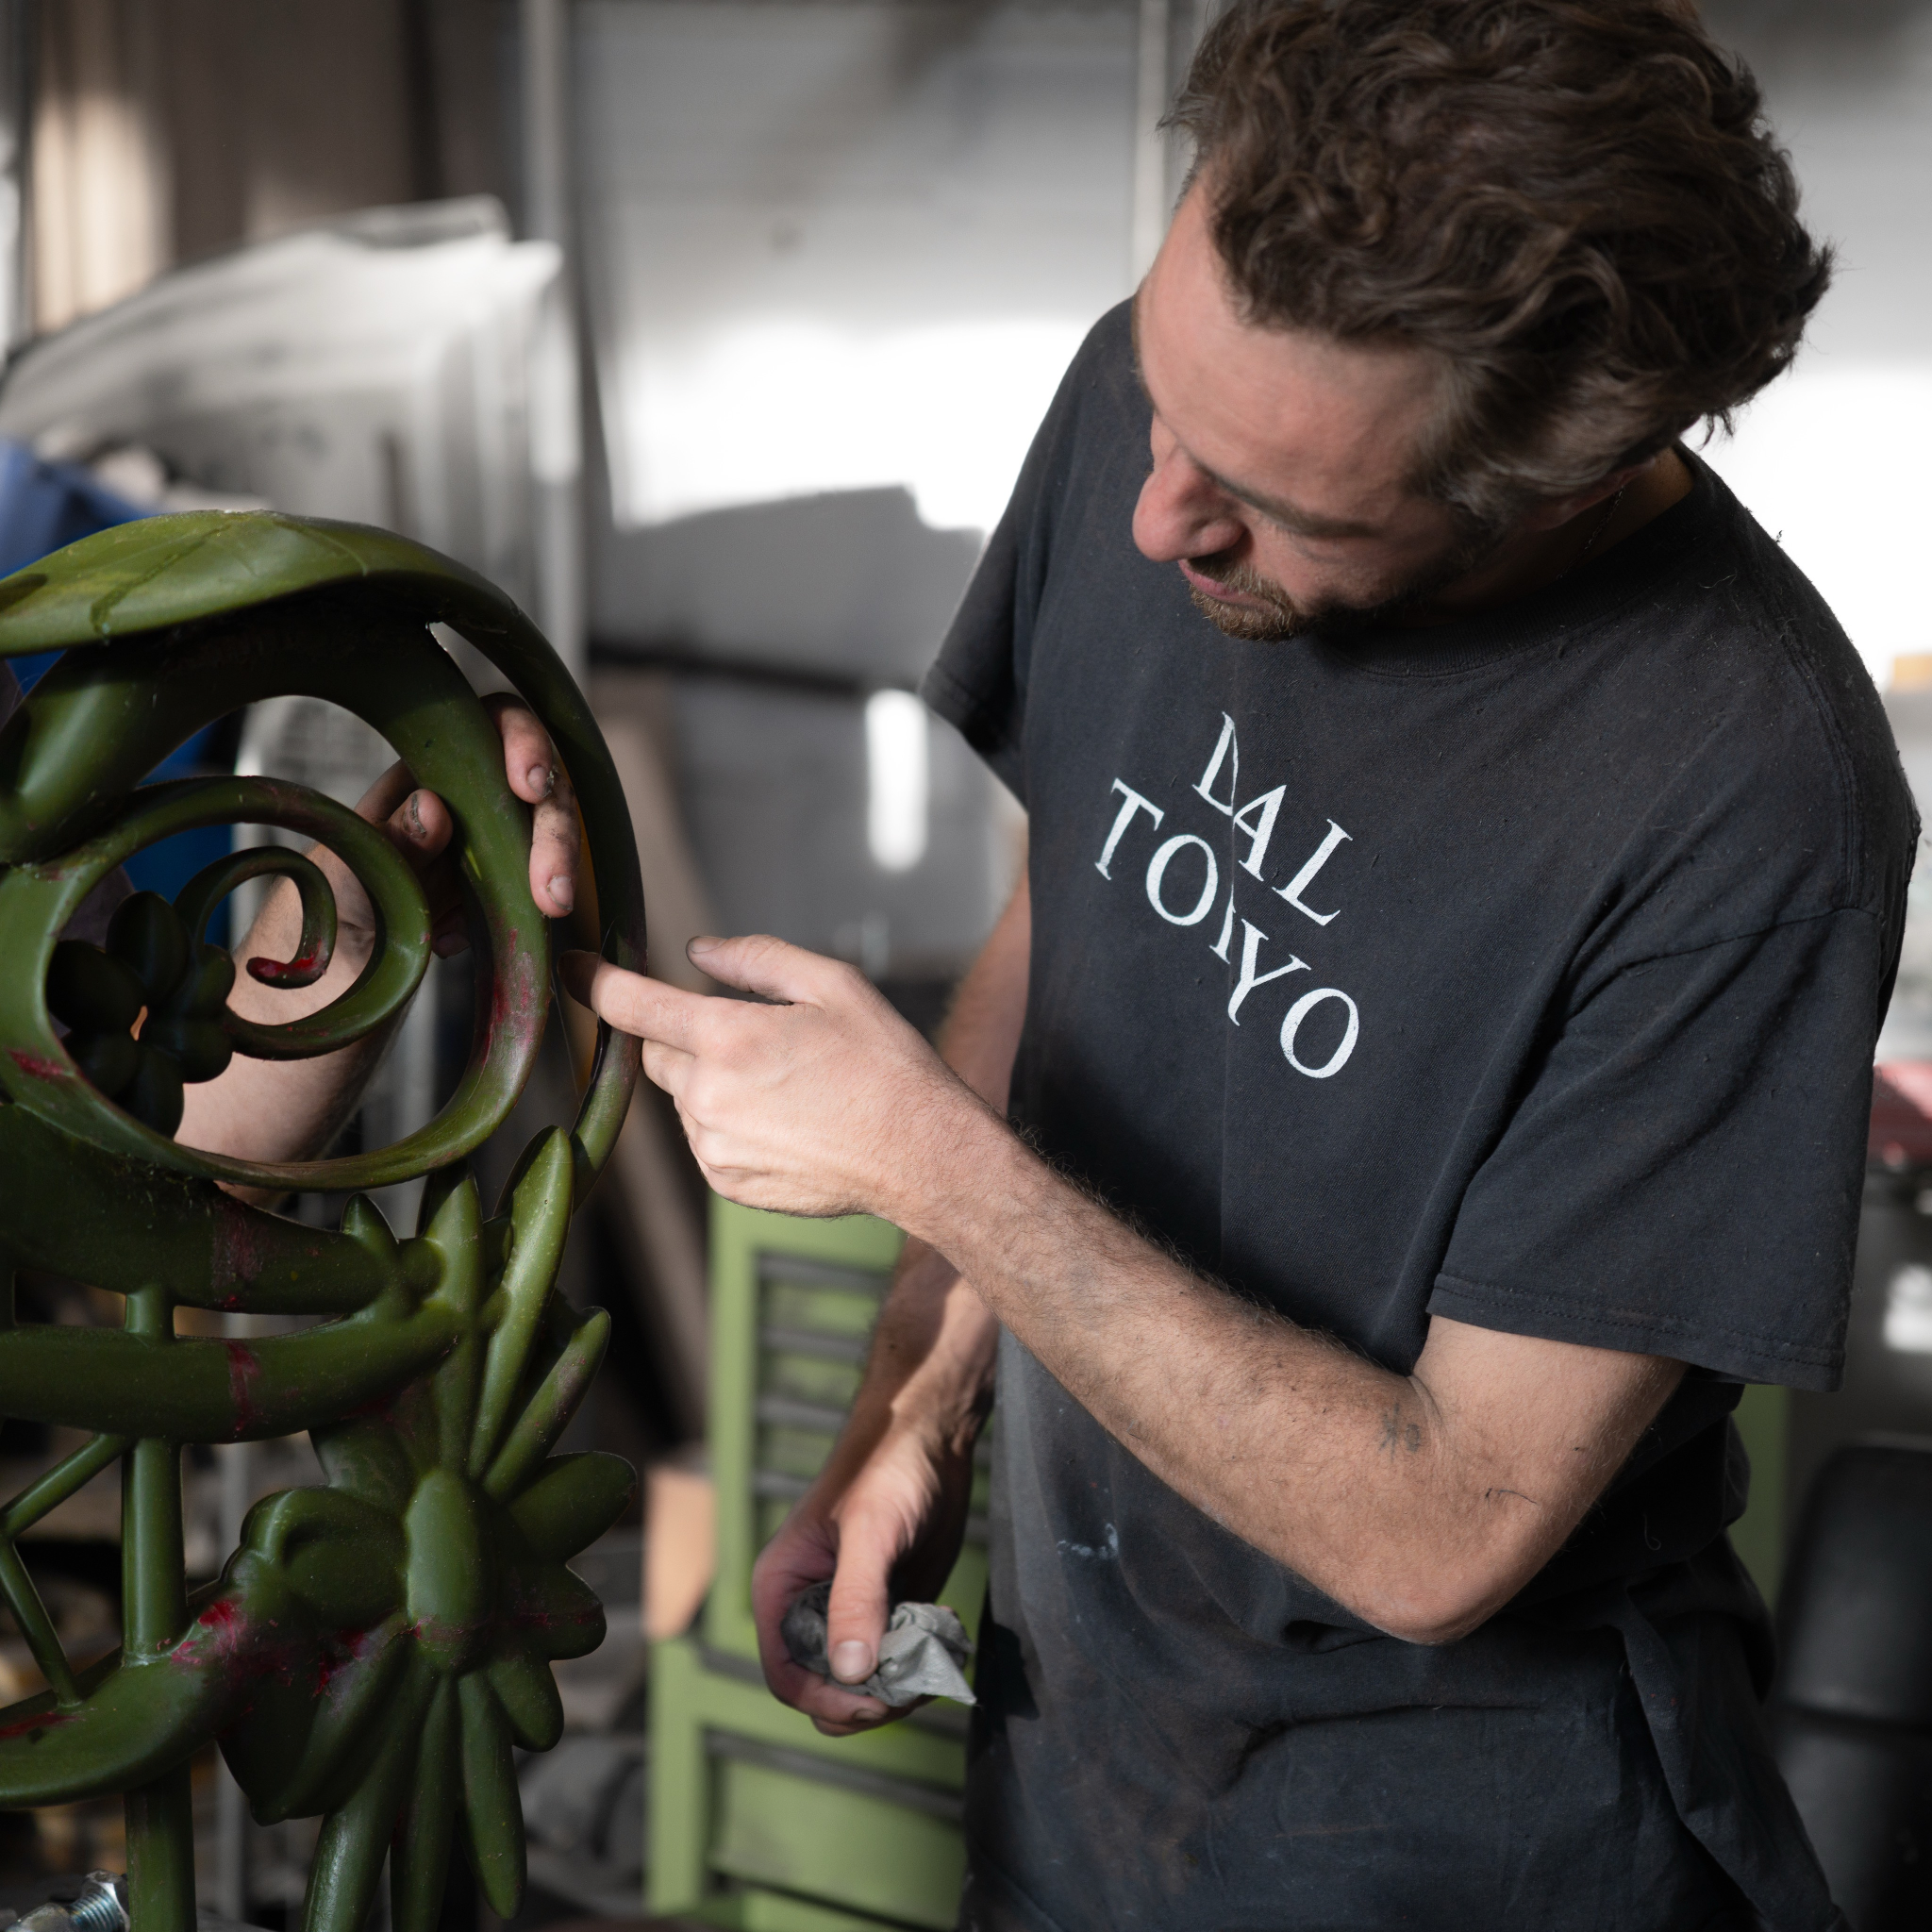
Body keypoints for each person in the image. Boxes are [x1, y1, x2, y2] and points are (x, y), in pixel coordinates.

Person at [567, 2, 1915, 1925]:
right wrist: (910, 1419)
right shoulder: (1166, 401)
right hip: (1091, 1730)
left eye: (1270, 505)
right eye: (1164, 406)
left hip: (1443, 1833)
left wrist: (924, 1161)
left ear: (1542, 475)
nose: (1151, 512)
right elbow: (1069, 928)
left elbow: (1446, 1526)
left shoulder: (1747, 797)